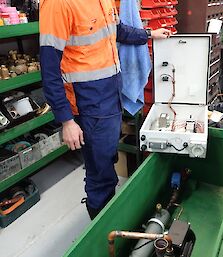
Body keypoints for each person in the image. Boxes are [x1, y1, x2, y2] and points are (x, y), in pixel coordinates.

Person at [39, 0, 171, 220]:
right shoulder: (57, 4)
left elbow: (116, 29)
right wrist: (67, 121)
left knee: (107, 162)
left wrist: (149, 33)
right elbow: (49, 71)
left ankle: (107, 216)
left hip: (110, 99)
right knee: (100, 174)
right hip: (89, 105)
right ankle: (102, 229)